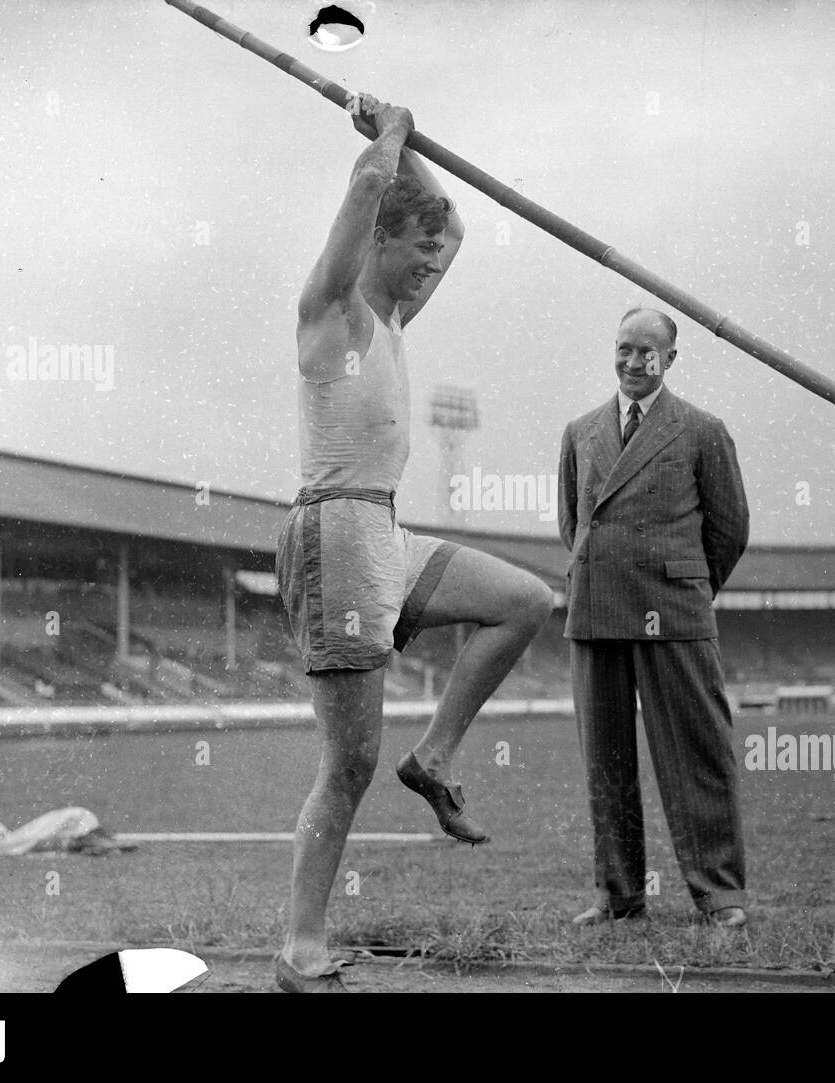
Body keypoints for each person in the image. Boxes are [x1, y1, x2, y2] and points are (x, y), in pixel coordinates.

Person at [273, 94, 553, 991]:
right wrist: (386, 139)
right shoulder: (334, 311)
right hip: (334, 531)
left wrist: (410, 142)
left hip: (384, 529)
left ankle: (432, 755)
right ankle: (299, 948)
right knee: (348, 761)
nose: (433, 261)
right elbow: (366, 189)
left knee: (523, 602)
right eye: (417, 247)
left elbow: (456, 227)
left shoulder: (394, 319)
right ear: (380, 243)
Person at [558, 307, 750, 933]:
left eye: (648, 352)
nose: (634, 363)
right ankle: (619, 896)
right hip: (597, 608)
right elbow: (572, 526)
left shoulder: (702, 429)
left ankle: (719, 896)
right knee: (604, 762)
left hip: (672, 611)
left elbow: (729, 529)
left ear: (671, 358)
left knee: (699, 756)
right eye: (624, 349)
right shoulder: (581, 431)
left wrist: (687, 586)